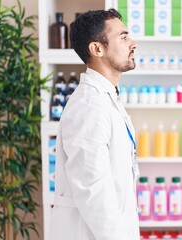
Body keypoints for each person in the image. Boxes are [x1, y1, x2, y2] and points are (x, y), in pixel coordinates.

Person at [49, 9, 139, 240]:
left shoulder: (106, 98)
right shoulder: (89, 106)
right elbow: (94, 191)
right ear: (97, 48)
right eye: (124, 36)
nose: (133, 43)